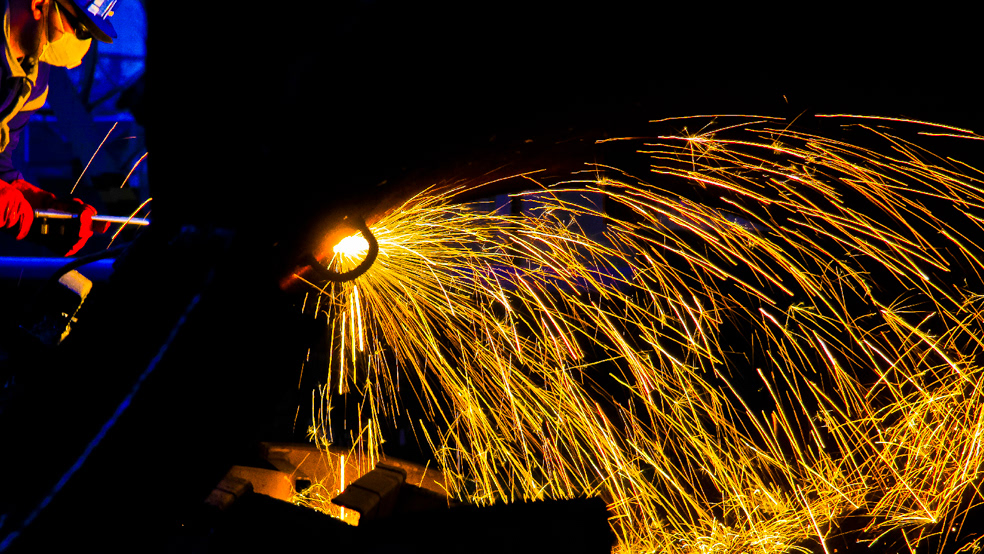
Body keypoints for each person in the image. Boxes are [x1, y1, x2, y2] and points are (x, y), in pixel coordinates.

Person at [0, 0, 117, 256]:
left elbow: (1, 168)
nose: (80, 45)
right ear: (38, 4)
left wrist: (43, 212)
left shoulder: (32, 80)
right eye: (79, 28)